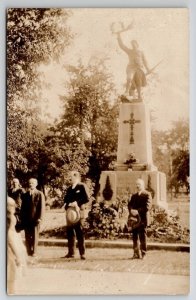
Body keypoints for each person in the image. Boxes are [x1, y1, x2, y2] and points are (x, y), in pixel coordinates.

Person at [63, 171, 89, 260]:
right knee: (70, 233)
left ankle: (82, 253)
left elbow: (86, 198)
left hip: (79, 213)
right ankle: (71, 253)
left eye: (71, 177)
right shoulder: (70, 188)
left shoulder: (82, 186)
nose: (70, 178)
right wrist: (67, 204)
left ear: (76, 177)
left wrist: (76, 203)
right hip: (70, 213)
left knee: (80, 233)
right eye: (69, 177)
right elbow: (65, 199)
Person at [117, 31, 150, 100]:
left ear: (137, 45)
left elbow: (145, 61)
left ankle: (139, 96)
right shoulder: (130, 51)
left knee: (138, 82)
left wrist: (148, 69)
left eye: (134, 44)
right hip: (131, 68)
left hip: (139, 68)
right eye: (132, 44)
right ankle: (126, 92)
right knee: (129, 78)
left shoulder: (141, 52)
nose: (133, 45)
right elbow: (122, 46)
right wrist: (118, 36)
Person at [20, 178, 45, 257]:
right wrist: (22, 218)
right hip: (27, 219)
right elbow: (23, 208)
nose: (31, 184)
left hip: (35, 219)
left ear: (36, 184)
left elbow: (42, 207)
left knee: (34, 236)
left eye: (33, 183)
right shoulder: (25, 194)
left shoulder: (39, 194)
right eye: (30, 183)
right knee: (27, 236)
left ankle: (34, 251)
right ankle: (28, 251)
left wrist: (40, 218)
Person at [7, 197, 27, 294]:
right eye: (12, 206)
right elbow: (9, 237)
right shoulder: (8, 217)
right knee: (11, 271)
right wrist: (17, 253)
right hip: (9, 245)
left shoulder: (10, 216)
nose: (14, 207)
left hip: (13, 240)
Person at [128, 178, 152, 259]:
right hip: (134, 220)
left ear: (143, 185)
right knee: (135, 237)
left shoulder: (147, 194)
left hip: (143, 219)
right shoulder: (134, 196)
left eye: (139, 184)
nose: (137, 186)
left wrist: (137, 211)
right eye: (137, 184)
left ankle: (143, 253)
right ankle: (136, 253)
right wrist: (131, 210)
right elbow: (130, 204)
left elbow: (147, 207)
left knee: (142, 237)